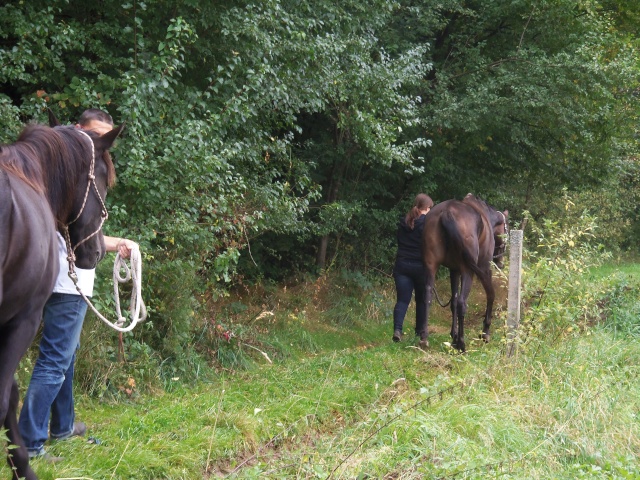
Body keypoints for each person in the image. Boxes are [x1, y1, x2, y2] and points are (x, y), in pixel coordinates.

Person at [18, 109, 138, 461]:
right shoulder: (74, 170)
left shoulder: (57, 167)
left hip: (54, 276)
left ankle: (63, 426)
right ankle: (31, 443)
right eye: (96, 135)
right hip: (68, 282)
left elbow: (84, 232)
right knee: (55, 360)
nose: (101, 144)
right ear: (79, 132)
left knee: (65, 356)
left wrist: (117, 243)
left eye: (106, 137)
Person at [392, 193, 433, 343]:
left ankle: (397, 330)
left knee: (402, 300)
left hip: (402, 266)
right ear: (427, 208)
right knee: (422, 301)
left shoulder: (405, 221)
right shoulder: (427, 224)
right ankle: (420, 332)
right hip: (420, 267)